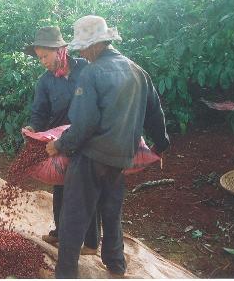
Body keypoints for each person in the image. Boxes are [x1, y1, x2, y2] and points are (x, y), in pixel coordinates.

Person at [46, 15, 170, 278]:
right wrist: (161, 145)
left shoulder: (92, 73)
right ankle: (116, 265)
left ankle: (66, 274)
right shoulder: (138, 71)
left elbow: (84, 123)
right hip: (120, 158)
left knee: (73, 217)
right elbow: (155, 114)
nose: (82, 54)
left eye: (82, 49)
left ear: (95, 45)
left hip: (92, 157)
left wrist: (60, 145)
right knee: (111, 211)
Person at [24, 26, 101, 255]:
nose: (43, 62)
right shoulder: (45, 82)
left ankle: (91, 241)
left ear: (60, 51)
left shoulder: (86, 69)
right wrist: (32, 128)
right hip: (59, 142)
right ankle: (61, 232)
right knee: (60, 189)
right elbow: (39, 112)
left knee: (87, 188)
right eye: (39, 58)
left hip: (87, 139)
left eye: (45, 56)